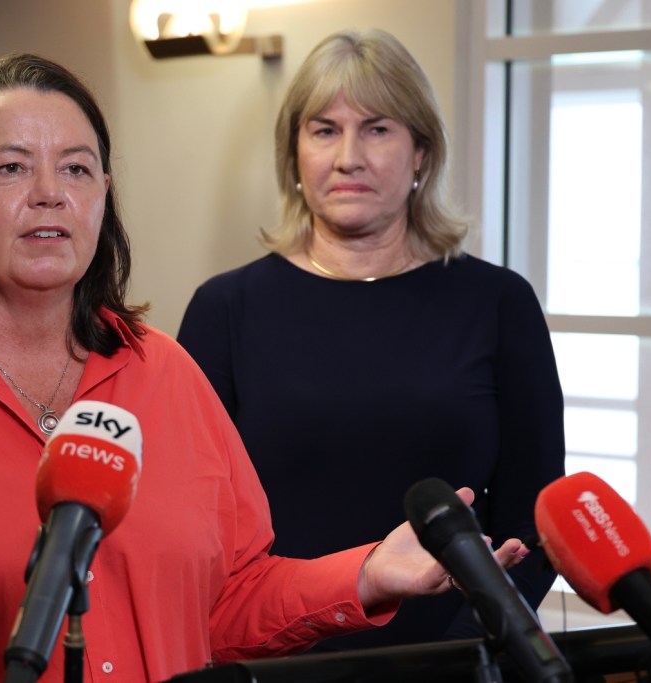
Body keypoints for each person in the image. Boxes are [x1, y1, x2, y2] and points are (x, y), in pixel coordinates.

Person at [0, 52, 528, 683]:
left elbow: (229, 602)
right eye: (8, 168)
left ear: (103, 196)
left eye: (76, 168)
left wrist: (367, 575)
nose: (49, 194)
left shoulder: (166, 374)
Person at [177, 28, 565, 649]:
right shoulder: (224, 310)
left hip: (458, 658)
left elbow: (539, 521)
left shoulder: (498, 303)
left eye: (377, 128)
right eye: (324, 130)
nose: (347, 156)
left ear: (421, 153)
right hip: (276, 658)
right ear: (294, 154)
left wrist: (469, 648)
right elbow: (193, 531)